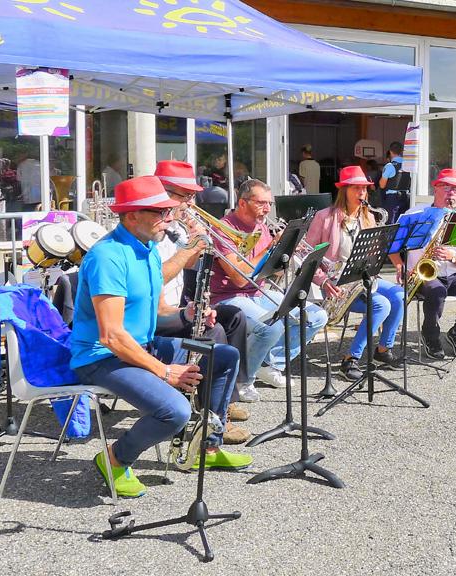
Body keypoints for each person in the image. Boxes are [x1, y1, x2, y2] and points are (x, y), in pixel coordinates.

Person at [70, 176, 251, 498]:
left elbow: (153, 310)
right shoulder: (107, 257)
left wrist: (187, 314)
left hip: (139, 346)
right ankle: (114, 459)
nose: (168, 219)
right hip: (101, 358)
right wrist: (165, 370)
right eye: (159, 212)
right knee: (175, 410)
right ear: (131, 215)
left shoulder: (148, 249)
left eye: (168, 211)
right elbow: (112, 335)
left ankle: (206, 448)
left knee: (225, 357)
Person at [153, 160, 253, 444]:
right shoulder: (154, 228)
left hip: (176, 305)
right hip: (156, 315)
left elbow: (191, 262)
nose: (189, 202)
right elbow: (156, 278)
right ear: (163, 191)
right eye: (183, 195)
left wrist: (204, 240)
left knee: (233, 317)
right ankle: (210, 422)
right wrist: (190, 248)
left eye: (190, 196)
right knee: (214, 332)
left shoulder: (175, 227)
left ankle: (225, 400)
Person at [209, 179, 327, 388]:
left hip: (258, 292)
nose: (267, 209)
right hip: (229, 296)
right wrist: (273, 247)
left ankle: (269, 363)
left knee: (316, 316)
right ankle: (242, 380)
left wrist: (286, 253)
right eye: (261, 203)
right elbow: (238, 277)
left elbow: (273, 275)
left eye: (269, 203)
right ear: (243, 202)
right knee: (270, 327)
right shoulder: (224, 229)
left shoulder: (262, 226)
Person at [304, 166, 401, 381]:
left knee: (398, 294)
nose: (361, 193)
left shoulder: (368, 218)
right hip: (337, 282)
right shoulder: (324, 217)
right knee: (381, 305)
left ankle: (383, 350)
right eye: (356, 188)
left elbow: (372, 255)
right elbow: (306, 255)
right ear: (344, 191)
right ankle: (350, 359)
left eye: (364, 189)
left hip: (361, 278)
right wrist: (323, 280)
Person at [390, 168, 456, 360]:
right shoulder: (415, 214)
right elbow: (393, 247)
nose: (451, 194)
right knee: (437, 291)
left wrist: (451, 257)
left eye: (455, 190)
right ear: (436, 188)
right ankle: (430, 336)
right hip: (423, 275)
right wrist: (400, 266)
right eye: (447, 188)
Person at [380, 141, 411, 224]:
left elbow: (382, 185)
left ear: (390, 151)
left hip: (393, 199)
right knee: (403, 224)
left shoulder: (390, 166)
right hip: (406, 198)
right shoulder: (409, 165)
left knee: (391, 225)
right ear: (401, 152)